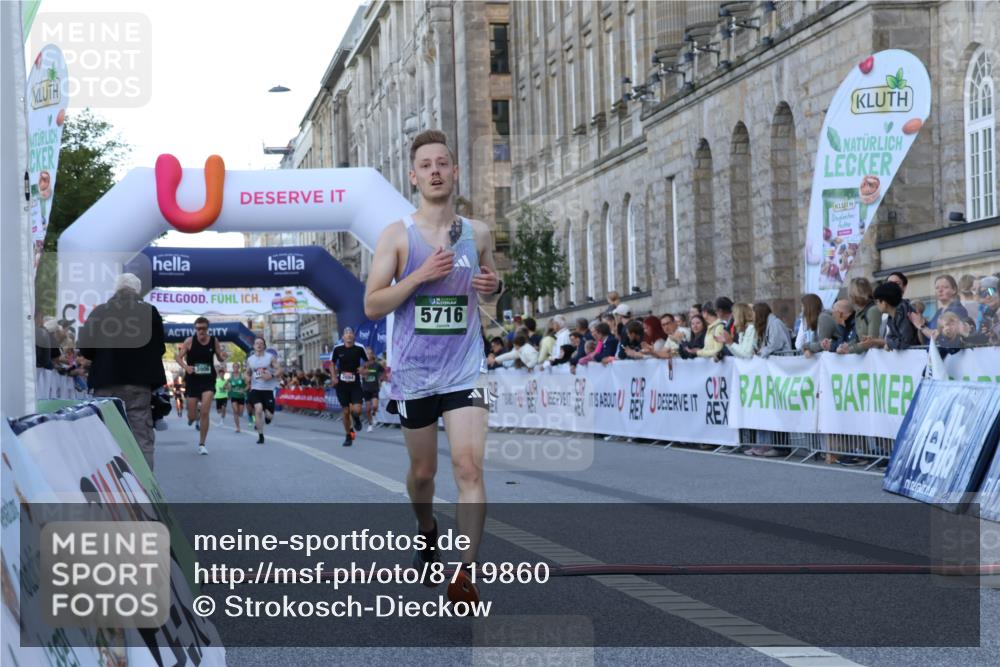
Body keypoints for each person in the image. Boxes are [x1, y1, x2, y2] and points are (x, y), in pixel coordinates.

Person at [363, 129, 501, 606]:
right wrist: (419, 275)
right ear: (414, 176)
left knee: (468, 467)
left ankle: (466, 573)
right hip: (414, 375)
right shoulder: (397, 236)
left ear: (455, 171)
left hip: (468, 369)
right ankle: (426, 527)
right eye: (426, 165)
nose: (436, 171)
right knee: (423, 473)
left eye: (443, 162)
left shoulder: (478, 232)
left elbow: (489, 292)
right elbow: (373, 305)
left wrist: (493, 286)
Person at [77, 273, 166, 470]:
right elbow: (160, 348)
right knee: (141, 437)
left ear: (116, 289)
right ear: (137, 290)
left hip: (105, 383)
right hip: (138, 384)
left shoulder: (100, 311)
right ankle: (145, 490)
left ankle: (114, 488)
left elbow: (85, 349)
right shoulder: (150, 312)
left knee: (106, 436)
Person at [176, 316, 228, 455]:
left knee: (205, 411)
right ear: (195, 329)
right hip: (193, 380)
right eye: (198, 328)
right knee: (192, 416)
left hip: (208, 380)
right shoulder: (189, 341)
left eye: (204, 328)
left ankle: (202, 444)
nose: (201, 331)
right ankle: (192, 418)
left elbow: (220, 356)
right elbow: (178, 357)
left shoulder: (213, 341)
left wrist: (223, 356)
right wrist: (186, 368)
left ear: (207, 328)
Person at [331, 328, 368, 446]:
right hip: (342, 384)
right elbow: (331, 363)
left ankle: (356, 418)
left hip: (355, 383)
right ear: (343, 337)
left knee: (356, 410)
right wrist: (333, 377)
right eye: (346, 334)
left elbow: (367, 362)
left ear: (354, 336)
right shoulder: (337, 349)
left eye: (350, 333)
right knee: (346, 411)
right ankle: (348, 435)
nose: (348, 336)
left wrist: (363, 368)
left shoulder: (360, 348)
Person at [246, 335, 282, 444]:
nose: (259, 345)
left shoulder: (270, 357)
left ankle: (268, 417)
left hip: (268, 390)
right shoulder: (250, 359)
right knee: (258, 409)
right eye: (257, 343)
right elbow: (247, 372)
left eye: (261, 343)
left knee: (269, 416)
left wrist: (271, 375)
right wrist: (247, 379)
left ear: (264, 346)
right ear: (254, 346)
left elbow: (280, 369)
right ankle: (260, 435)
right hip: (256, 389)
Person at [873, 281, 919, 350]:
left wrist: (890, 344)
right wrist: (890, 343)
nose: (876, 305)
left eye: (877, 301)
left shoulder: (903, 312)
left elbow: (905, 342)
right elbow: (889, 337)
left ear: (884, 302)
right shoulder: (890, 316)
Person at [361, 346, 385, 432]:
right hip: (366, 389)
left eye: (369, 353)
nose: (368, 355)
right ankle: (370, 424)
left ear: (372, 355)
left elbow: (383, 371)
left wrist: (381, 379)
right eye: (366, 353)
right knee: (367, 409)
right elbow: (361, 374)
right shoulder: (363, 365)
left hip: (374, 388)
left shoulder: (377, 365)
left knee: (374, 406)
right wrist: (364, 372)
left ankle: (374, 414)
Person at [228, 361, 247, 434]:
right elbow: (227, 385)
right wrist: (228, 388)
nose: (235, 368)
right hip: (234, 396)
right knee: (235, 411)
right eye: (234, 367)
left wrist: (244, 390)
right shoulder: (230, 376)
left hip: (241, 396)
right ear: (232, 368)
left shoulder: (242, 376)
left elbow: (248, 385)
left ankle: (239, 415)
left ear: (239, 368)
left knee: (240, 413)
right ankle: (238, 427)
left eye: (237, 367)